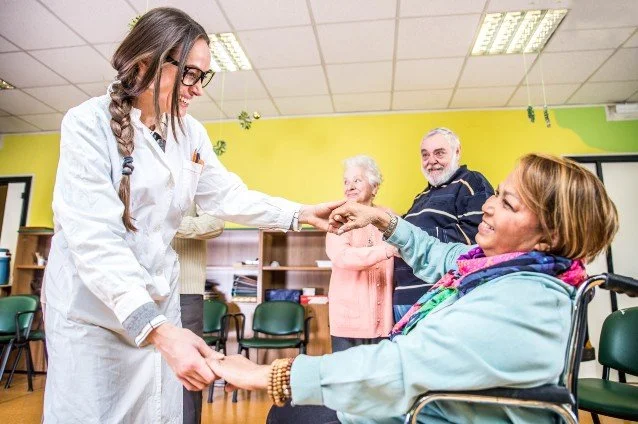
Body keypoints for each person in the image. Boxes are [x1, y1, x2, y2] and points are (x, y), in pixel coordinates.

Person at [42, 7, 341, 423]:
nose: (198, 89)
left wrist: (301, 213)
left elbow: (228, 195)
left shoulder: (190, 133)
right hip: (94, 308)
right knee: (93, 413)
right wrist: (158, 329)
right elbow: (94, 239)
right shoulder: (86, 124)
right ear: (145, 62)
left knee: (158, 412)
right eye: (190, 74)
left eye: (203, 76)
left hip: (156, 297)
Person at [207, 153, 619, 424]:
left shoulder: (525, 300)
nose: (487, 205)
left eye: (508, 203)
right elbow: (438, 255)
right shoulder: (501, 270)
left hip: (428, 412)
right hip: (425, 400)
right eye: (496, 194)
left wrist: (272, 375)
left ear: (550, 236)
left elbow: (401, 368)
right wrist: (384, 222)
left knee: (291, 413)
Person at [393, 127, 493, 321]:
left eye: (439, 153)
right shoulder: (420, 197)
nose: (431, 161)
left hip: (438, 299)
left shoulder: (471, 181)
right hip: (403, 299)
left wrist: (409, 238)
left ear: (457, 152)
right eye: (425, 155)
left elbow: (477, 237)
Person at [326, 155, 396, 352]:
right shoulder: (338, 218)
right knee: (345, 371)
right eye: (346, 182)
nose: (349, 187)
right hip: (348, 322)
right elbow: (343, 257)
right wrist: (387, 250)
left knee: (381, 371)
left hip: (383, 321)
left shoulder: (389, 216)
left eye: (357, 180)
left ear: (374, 187)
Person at [172, 204, 224, 424]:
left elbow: (215, 223)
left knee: (189, 369)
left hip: (185, 289)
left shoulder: (197, 183)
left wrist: (167, 224)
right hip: (141, 289)